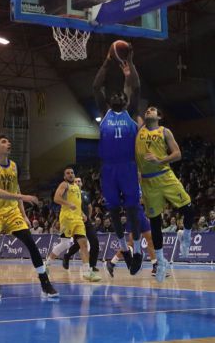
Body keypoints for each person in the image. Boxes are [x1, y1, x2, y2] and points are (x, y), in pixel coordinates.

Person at [0, 134, 58, 299]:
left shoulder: (15, 166)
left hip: (11, 212)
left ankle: (45, 282)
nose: (8, 143)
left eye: (9, 141)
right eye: (4, 142)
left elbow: (16, 190)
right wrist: (24, 197)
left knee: (30, 242)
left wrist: (24, 215)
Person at [92, 41, 143, 275]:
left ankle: (139, 253)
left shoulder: (130, 112)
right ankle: (124, 249)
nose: (116, 95)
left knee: (132, 210)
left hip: (128, 167)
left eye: (120, 94)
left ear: (124, 99)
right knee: (113, 212)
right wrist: (107, 61)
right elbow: (95, 87)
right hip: (109, 169)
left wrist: (130, 62)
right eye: (113, 94)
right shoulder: (106, 113)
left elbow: (136, 86)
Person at [135, 106, 193, 282]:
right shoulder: (139, 129)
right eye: (147, 110)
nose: (148, 111)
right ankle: (160, 262)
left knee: (188, 209)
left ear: (159, 116)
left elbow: (177, 154)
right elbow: (131, 102)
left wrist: (160, 160)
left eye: (152, 110)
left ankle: (186, 235)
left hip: (165, 175)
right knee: (155, 222)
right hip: (148, 181)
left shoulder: (164, 131)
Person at [48, 168, 100, 282]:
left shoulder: (77, 187)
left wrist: (82, 213)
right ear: (64, 176)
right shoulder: (64, 185)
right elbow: (56, 198)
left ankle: (87, 272)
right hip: (67, 218)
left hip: (78, 219)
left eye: (72, 173)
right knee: (65, 244)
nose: (70, 175)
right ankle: (47, 264)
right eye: (68, 173)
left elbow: (76, 204)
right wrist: (67, 203)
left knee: (84, 244)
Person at [106, 206, 169, 279]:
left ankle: (155, 266)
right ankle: (112, 263)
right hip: (133, 215)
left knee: (151, 240)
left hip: (141, 215)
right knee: (131, 244)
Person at [62, 176, 100, 272]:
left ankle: (92, 265)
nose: (78, 183)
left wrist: (89, 217)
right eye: (76, 181)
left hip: (86, 222)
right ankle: (67, 256)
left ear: (82, 183)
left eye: (79, 181)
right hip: (76, 221)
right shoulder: (71, 194)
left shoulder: (86, 194)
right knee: (79, 244)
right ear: (73, 183)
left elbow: (90, 206)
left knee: (95, 242)